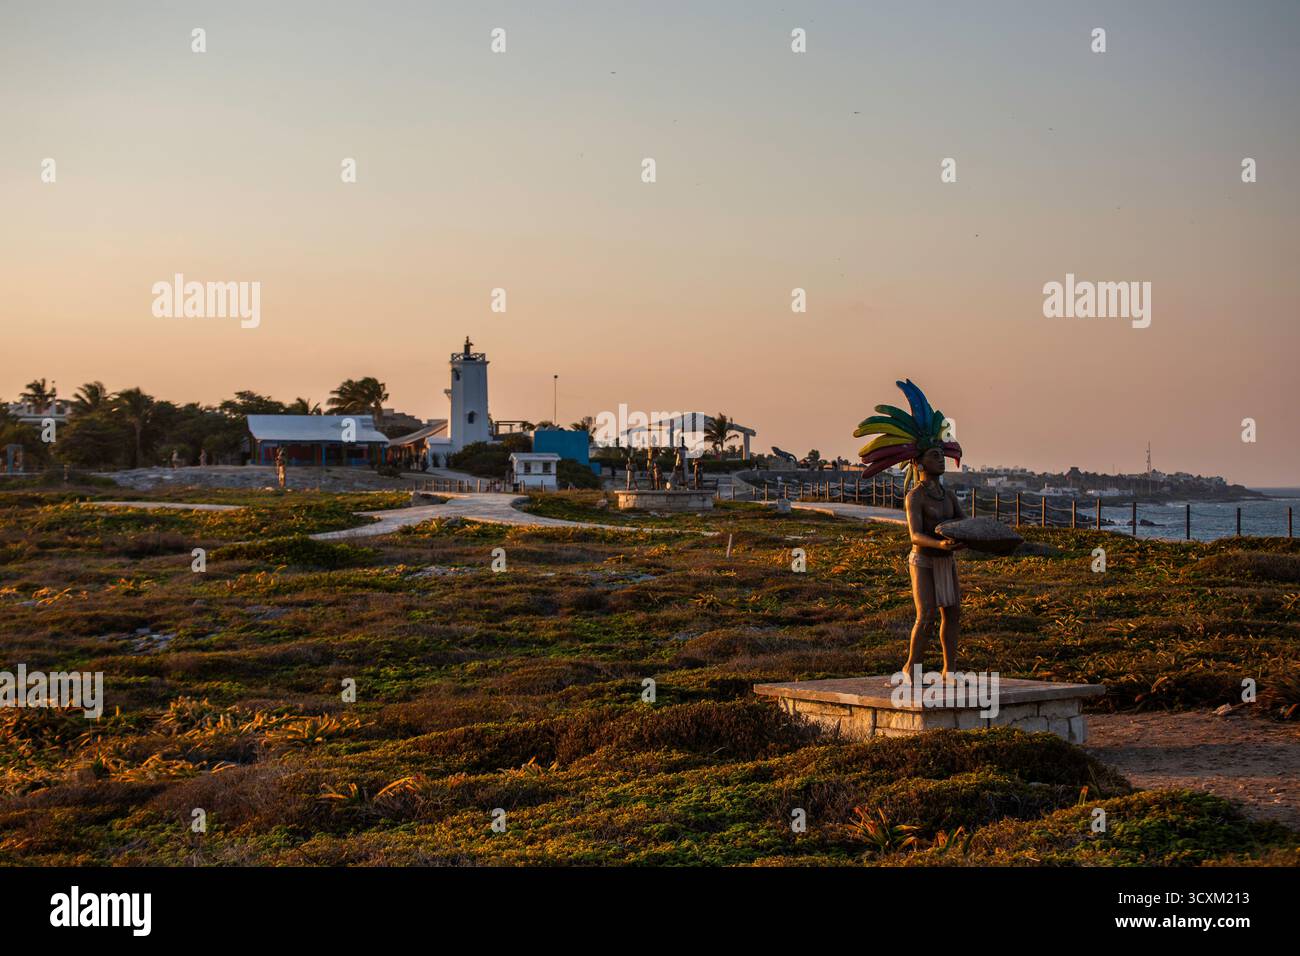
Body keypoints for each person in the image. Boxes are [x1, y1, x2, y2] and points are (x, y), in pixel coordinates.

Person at [854, 379, 965, 681]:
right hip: (924, 561)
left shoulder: (949, 495)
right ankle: (911, 668)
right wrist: (941, 545)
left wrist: (974, 538)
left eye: (941, 454)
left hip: (946, 560)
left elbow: (962, 524)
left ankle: (949, 668)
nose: (940, 458)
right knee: (926, 615)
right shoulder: (915, 496)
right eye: (933, 455)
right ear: (918, 463)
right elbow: (914, 535)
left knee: (952, 613)